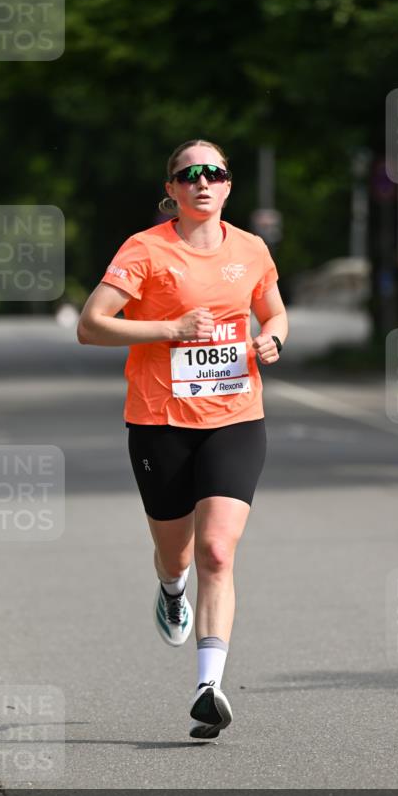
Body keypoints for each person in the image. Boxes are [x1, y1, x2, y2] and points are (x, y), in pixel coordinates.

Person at [77, 139, 288, 740]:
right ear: (170, 189)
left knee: (217, 551)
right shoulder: (145, 250)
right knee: (177, 555)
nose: (202, 181)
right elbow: (90, 326)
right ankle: (171, 591)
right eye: (188, 174)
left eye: (214, 172)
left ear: (227, 185)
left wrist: (274, 338)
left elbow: (274, 314)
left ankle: (208, 686)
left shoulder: (250, 249)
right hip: (160, 420)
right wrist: (170, 328)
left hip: (236, 416)